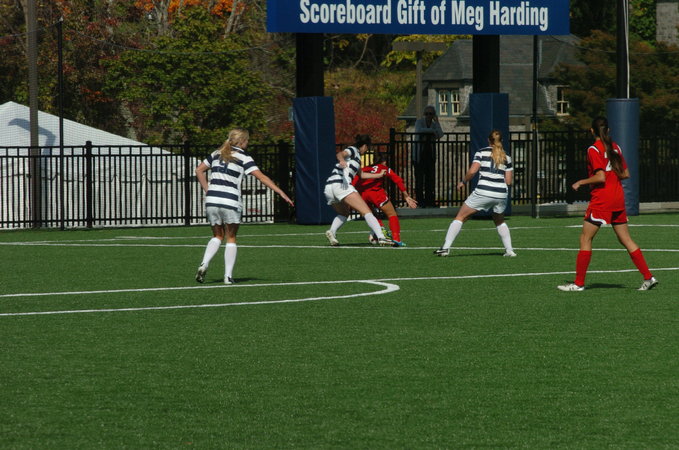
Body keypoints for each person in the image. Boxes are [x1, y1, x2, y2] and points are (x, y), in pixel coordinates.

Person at [557, 117, 658, 291]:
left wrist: (581, 181)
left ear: (592, 131)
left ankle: (578, 284)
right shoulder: (615, 147)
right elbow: (625, 174)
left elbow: (600, 177)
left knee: (585, 238)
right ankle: (648, 277)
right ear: (608, 130)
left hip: (602, 199)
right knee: (626, 239)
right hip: (618, 198)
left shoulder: (594, 149)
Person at [194, 128, 294, 285]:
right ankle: (228, 276)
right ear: (241, 141)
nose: (248, 143)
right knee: (231, 238)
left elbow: (199, 170)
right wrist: (281, 192)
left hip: (212, 200)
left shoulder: (216, 153)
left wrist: (208, 190)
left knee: (217, 236)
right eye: (247, 140)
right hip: (230, 200)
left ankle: (204, 263)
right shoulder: (244, 157)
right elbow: (261, 177)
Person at [434, 129, 516, 257]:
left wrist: (463, 182)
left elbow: (472, 171)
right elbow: (509, 181)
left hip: (483, 191)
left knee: (460, 217)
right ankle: (509, 250)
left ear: (488, 140)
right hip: (501, 193)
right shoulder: (507, 157)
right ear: (502, 141)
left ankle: (445, 248)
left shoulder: (481, 152)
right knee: (499, 221)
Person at [324, 134, 394, 247]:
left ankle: (331, 232)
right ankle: (381, 237)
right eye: (367, 148)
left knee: (344, 213)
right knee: (367, 212)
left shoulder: (357, 159)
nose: (367, 151)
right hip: (341, 184)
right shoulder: (353, 150)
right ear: (365, 146)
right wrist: (341, 160)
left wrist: (379, 175)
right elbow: (340, 154)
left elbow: (362, 175)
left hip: (329, 187)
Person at [352, 153, 418, 246]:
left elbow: (354, 182)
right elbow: (397, 180)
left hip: (362, 194)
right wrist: (406, 195)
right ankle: (396, 239)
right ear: (384, 162)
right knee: (392, 214)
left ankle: (380, 228)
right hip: (376, 193)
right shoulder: (383, 168)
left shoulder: (364, 169)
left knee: (371, 215)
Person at [413, 105, 444, 208]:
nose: (428, 116)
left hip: (430, 155)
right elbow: (419, 130)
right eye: (427, 114)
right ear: (424, 114)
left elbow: (440, 134)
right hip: (419, 155)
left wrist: (437, 122)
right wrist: (432, 132)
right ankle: (420, 202)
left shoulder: (434, 124)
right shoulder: (419, 122)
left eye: (431, 114)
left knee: (430, 179)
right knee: (419, 180)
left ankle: (429, 201)